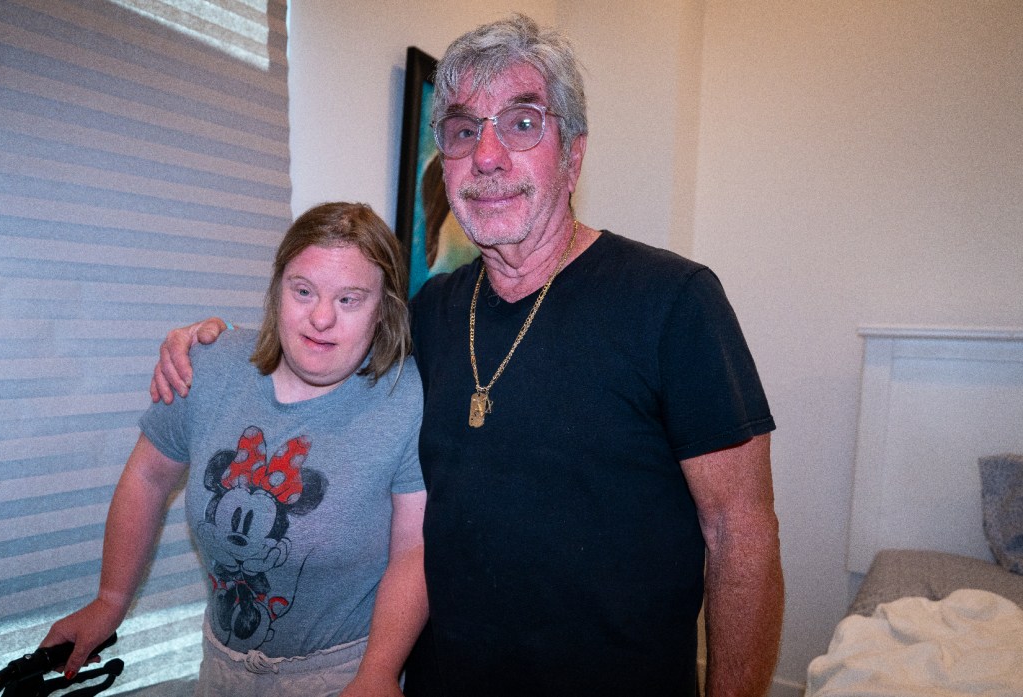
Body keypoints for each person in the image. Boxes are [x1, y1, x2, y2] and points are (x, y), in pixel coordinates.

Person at [151, 14, 783, 697]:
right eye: (461, 131)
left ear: (573, 156)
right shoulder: (427, 312)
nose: (486, 157)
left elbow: (740, 531)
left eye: (521, 123)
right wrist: (216, 344)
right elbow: (319, 357)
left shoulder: (673, 302)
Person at [43, 202, 428, 697]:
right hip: (221, 667)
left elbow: (413, 549)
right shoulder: (208, 365)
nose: (321, 317)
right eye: (303, 291)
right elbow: (148, 477)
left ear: (383, 308)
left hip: (344, 676)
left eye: (349, 299)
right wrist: (110, 600)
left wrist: (379, 671)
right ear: (276, 289)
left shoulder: (404, 397)